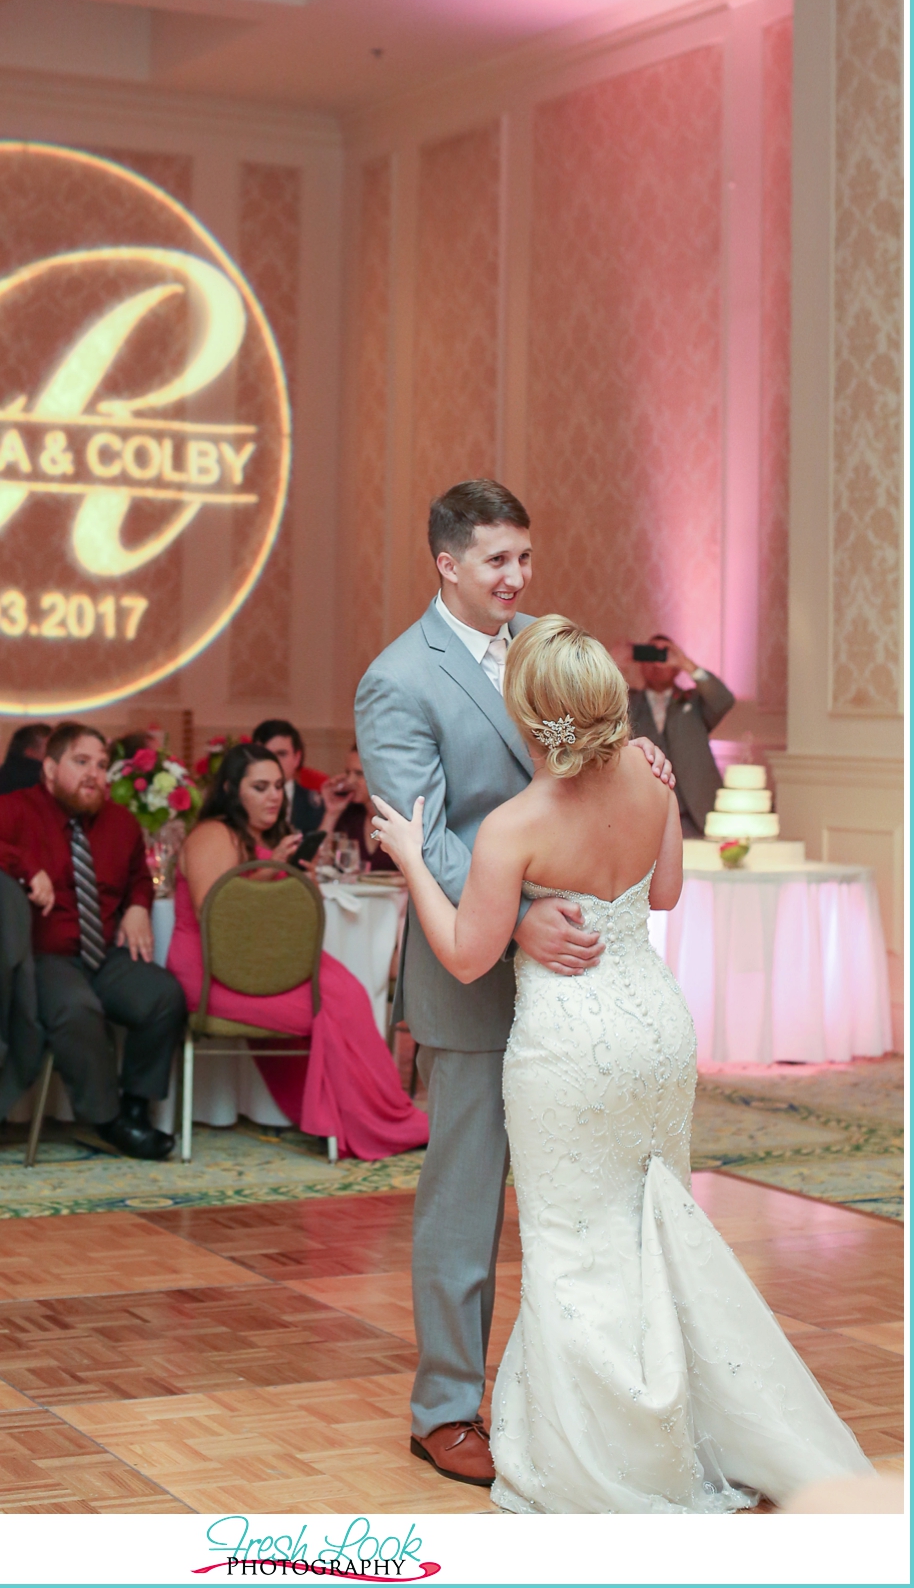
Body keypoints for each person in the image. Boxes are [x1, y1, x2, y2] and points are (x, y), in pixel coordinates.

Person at [371, 616, 872, 1513]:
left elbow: (463, 954)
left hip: (568, 1046)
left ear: (528, 714)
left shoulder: (513, 825)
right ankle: (683, 1417)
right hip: (656, 1027)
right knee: (653, 1225)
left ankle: (609, 1445)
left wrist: (411, 858)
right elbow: (669, 892)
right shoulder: (649, 775)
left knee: (572, 1241)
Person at [354, 478, 675, 1488]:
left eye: (525, 558)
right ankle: (447, 1406)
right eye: (497, 560)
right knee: (466, 1193)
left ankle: (587, 1396)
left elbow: (594, 772)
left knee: (585, 1190)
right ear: (447, 563)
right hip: (476, 969)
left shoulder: (548, 644)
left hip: (579, 987)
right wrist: (519, 914)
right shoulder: (397, 679)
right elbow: (430, 825)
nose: (518, 577)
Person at [167, 743, 429, 1159]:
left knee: (349, 995)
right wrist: (276, 876)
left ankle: (380, 1115)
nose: (273, 796)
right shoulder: (213, 834)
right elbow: (215, 915)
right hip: (215, 972)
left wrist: (289, 877)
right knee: (335, 1004)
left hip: (261, 966)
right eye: (259, 787)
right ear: (233, 790)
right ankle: (373, 1121)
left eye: (277, 786)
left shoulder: (263, 837)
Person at [0, 722, 186, 1160]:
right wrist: (22, 866)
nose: (94, 773)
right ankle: (109, 1121)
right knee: (77, 1009)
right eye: (81, 762)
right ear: (50, 769)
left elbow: (139, 876)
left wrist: (136, 904)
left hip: (105, 957)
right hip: (45, 957)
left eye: (100, 764)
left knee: (164, 994)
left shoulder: (121, 822)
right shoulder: (17, 809)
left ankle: (135, 1107)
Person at [627, 635, 735, 836]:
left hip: (694, 814)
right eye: (649, 655)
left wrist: (686, 664)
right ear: (640, 663)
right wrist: (613, 661)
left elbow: (724, 700)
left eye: (663, 655)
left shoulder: (693, 701)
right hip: (641, 814)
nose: (657, 663)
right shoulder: (627, 702)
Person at [318, 742, 400, 874]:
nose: (350, 781)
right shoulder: (349, 814)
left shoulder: (400, 818)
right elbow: (319, 865)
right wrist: (332, 813)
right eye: (347, 772)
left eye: (359, 774)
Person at [250, 720, 324, 836]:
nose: (274, 762)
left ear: (297, 758)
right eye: (266, 754)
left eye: (282, 754)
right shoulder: (244, 803)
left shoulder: (316, 807)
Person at [0, 723, 51, 804]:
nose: (55, 754)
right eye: (50, 749)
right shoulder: (41, 780)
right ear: (30, 752)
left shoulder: (0, 777)